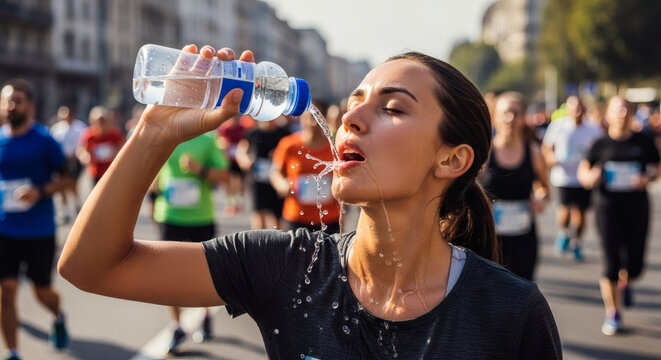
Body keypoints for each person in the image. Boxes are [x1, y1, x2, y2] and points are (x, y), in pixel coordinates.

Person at [58, 45, 561, 359]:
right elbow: (92, 267)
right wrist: (153, 133)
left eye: (391, 108)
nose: (353, 117)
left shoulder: (511, 312)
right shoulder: (284, 265)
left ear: (451, 160)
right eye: (355, 102)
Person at [0, 79, 72, 360]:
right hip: (5, 229)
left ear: (29, 105)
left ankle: (57, 315)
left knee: (42, 293)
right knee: (6, 291)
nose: (10, 106)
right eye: (6, 100)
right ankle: (12, 352)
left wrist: (39, 191)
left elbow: (67, 179)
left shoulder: (45, 141)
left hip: (39, 230)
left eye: (16, 100)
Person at [577, 96, 660, 336]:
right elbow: (585, 170)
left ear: (632, 113)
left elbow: (657, 167)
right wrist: (589, 178)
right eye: (617, 109)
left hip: (637, 208)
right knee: (611, 261)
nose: (622, 113)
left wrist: (649, 179)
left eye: (626, 109)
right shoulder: (600, 144)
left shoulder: (643, 142)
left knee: (634, 266)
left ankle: (626, 282)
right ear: (609, 114)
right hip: (607, 208)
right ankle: (613, 312)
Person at [147, 130, 230, 352]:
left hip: (200, 217)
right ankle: (176, 326)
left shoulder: (207, 140)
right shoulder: (166, 136)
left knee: (204, 275)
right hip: (169, 216)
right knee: (167, 274)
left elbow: (225, 176)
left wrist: (199, 169)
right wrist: (152, 200)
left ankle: (204, 314)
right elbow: (152, 171)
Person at [480, 92, 550, 281]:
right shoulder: (484, 153)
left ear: (523, 118)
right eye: (506, 113)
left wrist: (541, 199)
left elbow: (544, 187)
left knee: (521, 292)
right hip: (489, 238)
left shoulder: (534, 152)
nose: (511, 118)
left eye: (516, 113)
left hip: (523, 237)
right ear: (495, 118)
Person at [542, 96, 603, 261]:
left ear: (583, 109)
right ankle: (564, 233)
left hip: (583, 178)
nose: (576, 111)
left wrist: (596, 168)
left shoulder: (593, 129)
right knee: (564, 211)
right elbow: (547, 147)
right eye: (573, 107)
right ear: (567, 109)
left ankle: (577, 242)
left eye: (579, 107)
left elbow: (601, 150)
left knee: (581, 213)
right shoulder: (558, 126)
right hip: (562, 177)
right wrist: (551, 158)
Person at [270, 100, 342, 234]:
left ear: (325, 119)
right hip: (297, 215)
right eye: (308, 118)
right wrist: (282, 185)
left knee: (328, 255)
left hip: (329, 218)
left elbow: (344, 176)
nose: (312, 122)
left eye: (316, 117)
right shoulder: (289, 144)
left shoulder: (335, 147)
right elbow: (275, 172)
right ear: (301, 119)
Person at [235, 115, 290, 230]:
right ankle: (258, 245)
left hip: (277, 181)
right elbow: (241, 151)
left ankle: (276, 245)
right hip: (257, 181)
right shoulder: (253, 133)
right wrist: (245, 160)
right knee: (258, 216)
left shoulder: (284, 134)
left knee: (277, 218)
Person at [49, 105, 87, 223]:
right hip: (61, 160)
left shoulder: (80, 127)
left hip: (75, 160)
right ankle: (64, 210)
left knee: (73, 184)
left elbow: (83, 143)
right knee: (61, 184)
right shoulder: (56, 128)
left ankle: (77, 205)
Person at [76, 106, 125, 185]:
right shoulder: (89, 135)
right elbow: (81, 151)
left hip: (112, 171)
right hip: (96, 172)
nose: (101, 125)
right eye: (98, 122)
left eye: (104, 121)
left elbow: (123, 148)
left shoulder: (115, 135)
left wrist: (117, 153)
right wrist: (85, 157)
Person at [216, 114, 250, 216]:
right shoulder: (225, 129)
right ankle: (231, 203)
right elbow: (219, 140)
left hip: (238, 160)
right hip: (228, 159)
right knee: (229, 182)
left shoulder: (243, 129)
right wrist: (223, 144)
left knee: (238, 182)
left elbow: (246, 142)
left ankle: (238, 203)